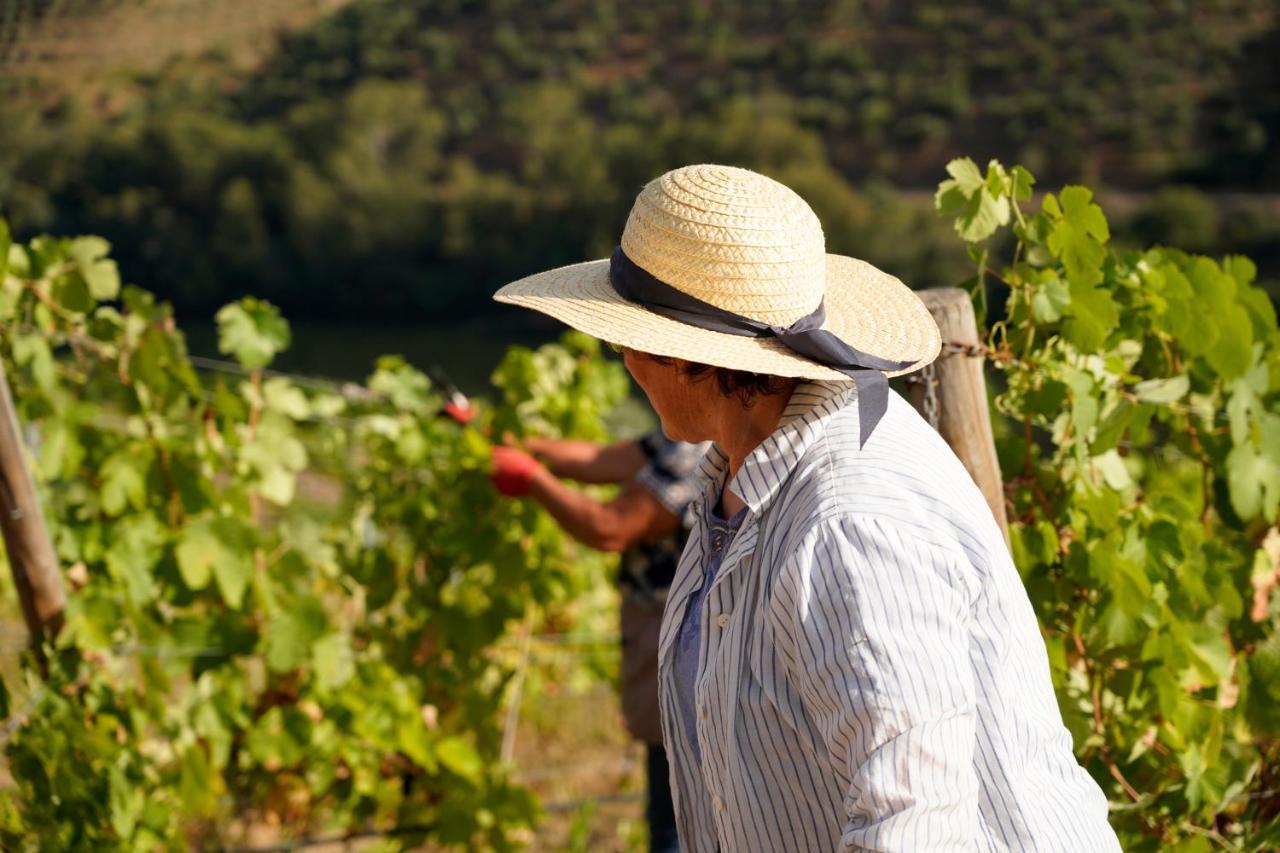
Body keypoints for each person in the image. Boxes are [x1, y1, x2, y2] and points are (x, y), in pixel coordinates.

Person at [491, 164, 1121, 851]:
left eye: (623, 339)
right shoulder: (738, 472)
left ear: (683, 355)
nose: (622, 359)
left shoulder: (849, 524)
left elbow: (912, 827)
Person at [488, 429, 708, 853]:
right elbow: (603, 457)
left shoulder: (697, 448)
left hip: (677, 639)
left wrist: (533, 478)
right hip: (663, 636)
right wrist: (503, 439)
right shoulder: (683, 431)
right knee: (671, 793)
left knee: (676, 816)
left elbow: (611, 527)